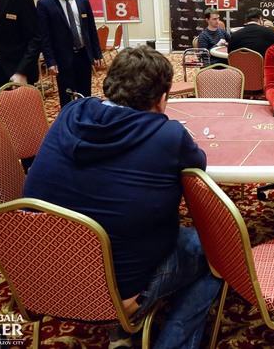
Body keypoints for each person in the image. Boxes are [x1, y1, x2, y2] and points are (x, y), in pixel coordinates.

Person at [23, 46, 222, 348]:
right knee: (215, 249)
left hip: (44, 279)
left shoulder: (70, 113)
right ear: (162, 98)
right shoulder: (169, 136)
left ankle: (121, 333)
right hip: (119, 295)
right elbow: (198, 166)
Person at [36, 0, 104, 108]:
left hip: (83, 55)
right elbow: (44, 36)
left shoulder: (83, 1)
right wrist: (50, 61)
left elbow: (91, 29)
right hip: (62, 58)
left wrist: (97, 54)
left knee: (85, 94)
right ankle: (69, 119)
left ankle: (85, 118)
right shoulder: (44, 4)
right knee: (67, 96)